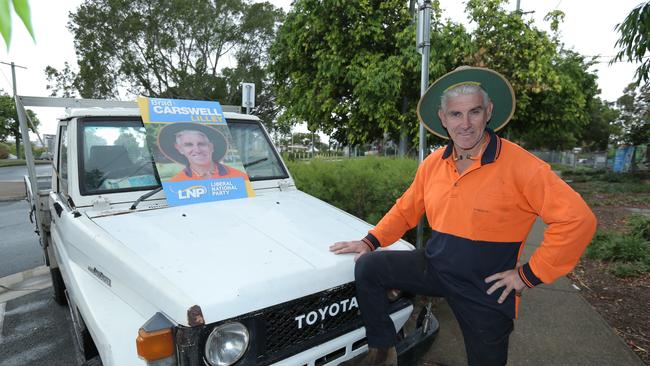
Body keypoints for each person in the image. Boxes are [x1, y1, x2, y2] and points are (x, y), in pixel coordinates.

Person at [330, 66, 597, 366]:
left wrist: (529, 275)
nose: (466, 123)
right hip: (436, 266)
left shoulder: (523, 166)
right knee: (369, 267)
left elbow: (578, 219)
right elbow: (406, 208)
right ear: (443, 119)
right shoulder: (433, 164)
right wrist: (370, 241)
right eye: (456, 114)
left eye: (474, 112)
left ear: (489, 112)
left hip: (486, 288)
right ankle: (383, 352)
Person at [157, 123, 249, 182]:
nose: (197, 150)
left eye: (202, 144)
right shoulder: (176, 183)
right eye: (188, 145)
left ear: (211, 147)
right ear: (179, 149)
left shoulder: (240, 177)